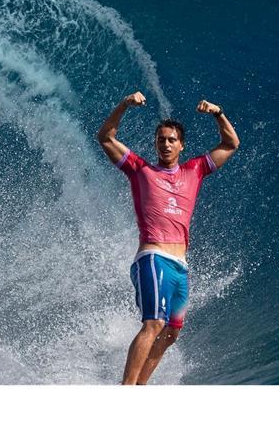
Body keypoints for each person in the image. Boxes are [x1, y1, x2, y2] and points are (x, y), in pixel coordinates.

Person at [97, 91, 239, 385]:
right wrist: (123, 104)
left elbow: (231, 144)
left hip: (180, 267)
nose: (165, 144)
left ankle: (140, 386)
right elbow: (105, 138)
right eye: (161, 139)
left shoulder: (195, 170)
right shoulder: (140, 170)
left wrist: (217, 112)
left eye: (171, 139)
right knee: (154, 323)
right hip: (153, 258)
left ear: (181, 145)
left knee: (172, 332)